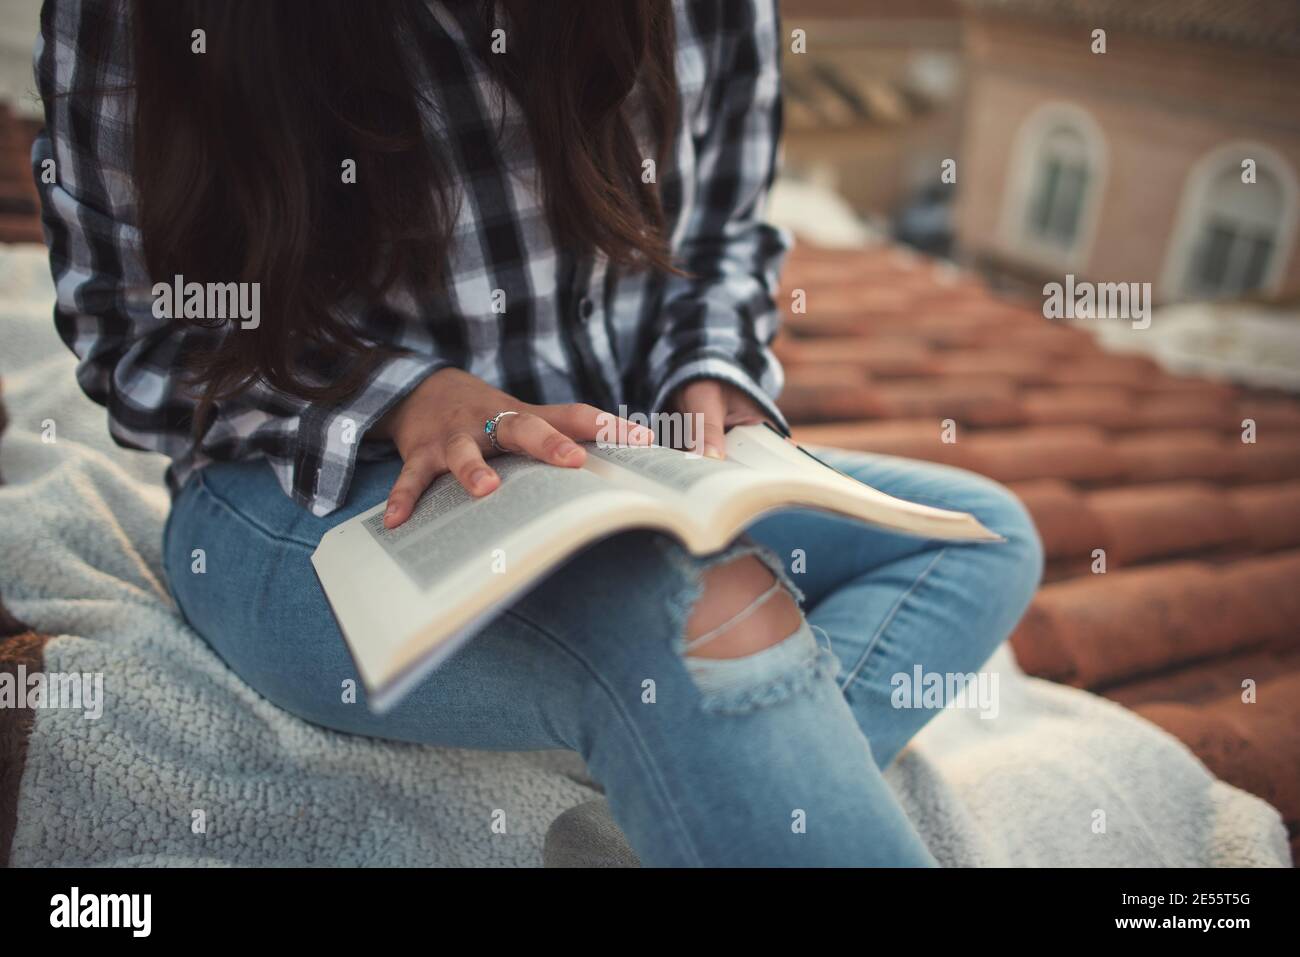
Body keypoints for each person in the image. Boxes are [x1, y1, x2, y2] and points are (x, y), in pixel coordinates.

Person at [34, 0, 1042, 866]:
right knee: (689, 608)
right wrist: (402, 395)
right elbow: (132, 336)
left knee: (975, 531)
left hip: (607, 463)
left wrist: (708, 371)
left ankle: (675, 810)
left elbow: (723, 235)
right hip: (310, 494)